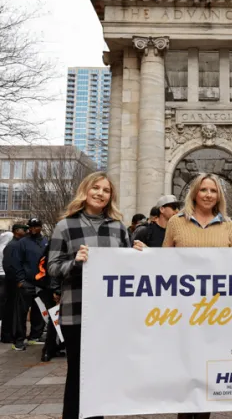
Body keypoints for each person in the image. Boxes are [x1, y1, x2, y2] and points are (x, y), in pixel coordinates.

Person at [135, 173, 232, 419]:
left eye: (213, 190)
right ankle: (183, 413)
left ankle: (203, 414)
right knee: (184, 368)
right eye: (203, 190)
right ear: (194, 193)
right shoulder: (176, 223)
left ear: (218, 195)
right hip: (183, 310)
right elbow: (165, 262)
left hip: (215, 311)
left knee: (209, 369)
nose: (208, 195)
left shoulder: (228, 225)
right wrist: (147, 255)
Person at [48, 172, 130, 419]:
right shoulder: (65, 225)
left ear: (110, 197)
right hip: (77, 313)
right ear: (85, 190)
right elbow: (52, 267)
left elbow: (128, 269)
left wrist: (140, 255)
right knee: (77, 375)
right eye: (96, 188)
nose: (100, 193)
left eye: (106, 190)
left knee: (101, 377)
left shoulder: (118, 228)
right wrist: (75, 262)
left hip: (109, 317)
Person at [10, 218, 48, 350]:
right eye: (31, 227)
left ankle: (35, 336)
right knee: (21, 313)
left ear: (40, 227)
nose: (33, 229)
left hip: (41, 283)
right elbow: (16, 262)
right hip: (26, 283)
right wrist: (20, 280)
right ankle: (19, 339)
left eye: (36, 226)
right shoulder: (22, 243)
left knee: (38, 311)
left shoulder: (45, 241)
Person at [1, 224, 28, 343]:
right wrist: (17, 280)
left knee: (11, 308)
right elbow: (9, 265)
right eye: (24, 229)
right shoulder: (12, 246)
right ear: (16, 231)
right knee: (10, 308)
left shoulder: (15, 244)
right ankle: (7, 335)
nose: (26, 231)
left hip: (11, 281)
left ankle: (10, 334)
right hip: (11, 282)